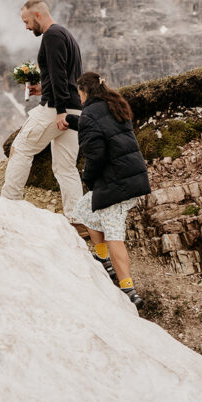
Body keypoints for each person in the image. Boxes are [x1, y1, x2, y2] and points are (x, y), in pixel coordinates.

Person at [66, 71, 151, 307]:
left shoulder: (91, 113)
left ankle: (128, 289)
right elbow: (101, 127)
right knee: (84, 208)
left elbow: (95, 154)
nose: (79, 97)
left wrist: (88, 178)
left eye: (79, 93)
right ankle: (102, 257)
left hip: (115, 183)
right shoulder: (114, 104)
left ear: (84, 92)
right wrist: (74, 121)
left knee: (114, 233)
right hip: (131, 175)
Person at [1, 0, 85, 224]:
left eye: (27, 21)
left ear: (37, 15)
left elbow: (58, 75)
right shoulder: (66, 35)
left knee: (21, 148)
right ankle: (77, 219)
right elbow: (67, 76)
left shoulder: (52, 36)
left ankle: (9, 204)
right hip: (75, 108)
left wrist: (59, 111)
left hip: (56, 108)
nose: (26, 27)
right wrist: (42, 88)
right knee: (65, 167)